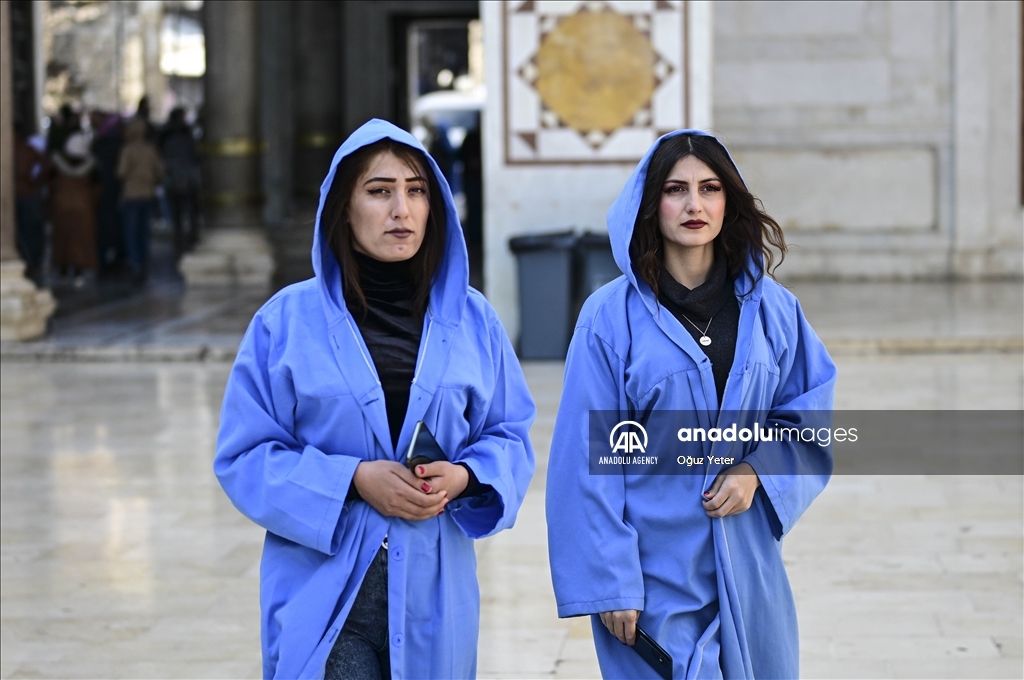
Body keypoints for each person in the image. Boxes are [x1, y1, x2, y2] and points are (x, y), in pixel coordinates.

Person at [214, 119, 536, 679]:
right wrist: (354, 479)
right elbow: (244, 457)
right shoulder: (286, 322)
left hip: (433, 592)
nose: (401, 210)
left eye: (416, 191)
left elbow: (509, 435)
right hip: (326, 592)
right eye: (379, 191)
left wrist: (463, 477)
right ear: (343, 207)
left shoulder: (474, 320)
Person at [546, 131, 836, 679]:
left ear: (730, 200)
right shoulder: (609, 319)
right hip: (653, 577)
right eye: (676, 190)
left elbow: (810, 414)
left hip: (749, 567)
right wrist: (611, 580)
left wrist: (757, 470)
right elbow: (584, 462)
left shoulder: (775, 311)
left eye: (709, 188)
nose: (694, 205)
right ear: (650, 204)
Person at [117, 117, 163, 282]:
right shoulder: (150, 150)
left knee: (131, 231)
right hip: (147, 194)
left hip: (131, 195)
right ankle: (142, 261)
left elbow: (121, 172)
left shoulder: (127, 150)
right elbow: (160, 171)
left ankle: (135, 263)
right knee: (143, 231)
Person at [50, 128, 98, 282]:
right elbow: (97, 187)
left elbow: (48, 181)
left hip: (61, 204)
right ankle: (79, 268)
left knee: (63, 236)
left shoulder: (56, 163)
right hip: (84, 205)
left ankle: (62, 267)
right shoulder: (91, 165)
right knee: (80, 237)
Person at [158, 107, 200, 256]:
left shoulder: (166, 135)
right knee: (188, 210)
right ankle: (189, 237)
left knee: (178, 212)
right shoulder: (186, 135)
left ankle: (180, 238)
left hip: (176, 177)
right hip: (185, 177)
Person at [14, 123, 49, 281]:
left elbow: (45, 165)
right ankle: (31, 260)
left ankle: (32, 261)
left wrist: (34, 179)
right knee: (26, 230)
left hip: (27, 193)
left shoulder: (26, 150)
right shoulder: (25, 149)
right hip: (22, 194)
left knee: (30, 229)